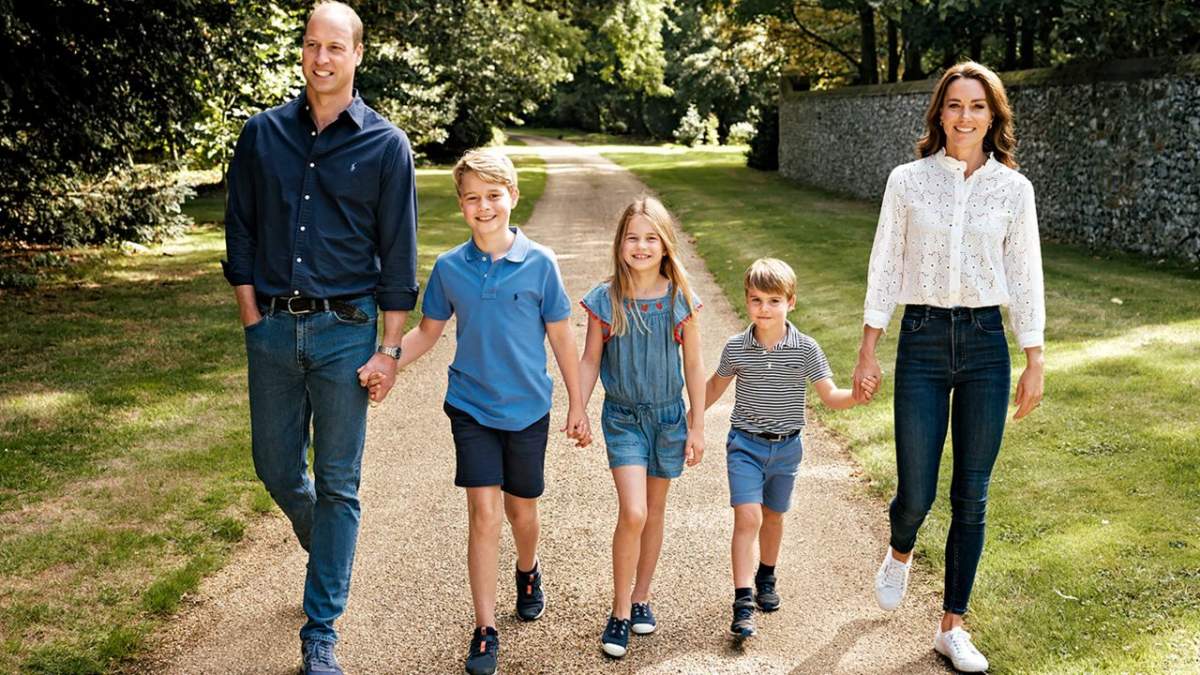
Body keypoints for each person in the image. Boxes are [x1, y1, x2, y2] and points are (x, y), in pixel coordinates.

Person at [221, 2, 417, 673]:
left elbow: (399, 255)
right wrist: (251, 315)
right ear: (302, 52)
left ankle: (321, 632)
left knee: (339, 482)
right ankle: (329, 551)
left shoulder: (387, 146)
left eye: (336, 47)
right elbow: (239, 229)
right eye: (312, 45)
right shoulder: (262, 134)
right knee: (276, 466)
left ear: (358, 55)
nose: (322, 58)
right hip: (272, 328)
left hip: (346, 332)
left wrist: (389, 350)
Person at [853, 61, 1045, 673]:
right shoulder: (907, 181)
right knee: (916, 491)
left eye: (978, 106)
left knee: (972, 494)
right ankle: (901, 548)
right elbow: (885, 263)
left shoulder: (1013, 190)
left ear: (994, 116)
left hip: (988, 343)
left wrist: (1033, 356)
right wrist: (867, 346)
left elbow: (1025, 275)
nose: (966, 116)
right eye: (955, 104)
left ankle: (952, 626)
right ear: (939, 112)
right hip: (923, 339)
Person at [370, 149, 589, 675]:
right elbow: (429, 331)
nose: (484, 206)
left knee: (521, 512)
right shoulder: (449, 268)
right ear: (462, 205)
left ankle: (528, 568)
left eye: (494, 195)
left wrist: (577, 402)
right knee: (484, 515)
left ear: (513, 197)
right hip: (470, 406)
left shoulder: (541, 264)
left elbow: (561, 336)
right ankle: (485, 628)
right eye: (472, 198)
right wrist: (389, 359)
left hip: (528, 408)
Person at [705, 258, 876, 640]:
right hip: (745, 446)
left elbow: (829, 395)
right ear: (746, 301)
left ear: (791, 302)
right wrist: (689, 419)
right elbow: (714, 387)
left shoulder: (806, 349)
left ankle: (766, 575)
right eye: (756, 300)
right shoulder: (736, 348)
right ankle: (743, 600)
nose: (764, 309)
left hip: (787, 450)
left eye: (773, 301)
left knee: (774, 517)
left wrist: (857, 399)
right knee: (747, 517)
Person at [577, 197, 705, 658]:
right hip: (624, 418)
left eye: (651, 238)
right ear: (620, 243)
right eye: (633, 237)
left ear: (665, 245)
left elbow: (693, 363)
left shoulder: (679, 299)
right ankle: (619, 611)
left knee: (653, 511)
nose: (641, 245)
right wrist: (579, 406)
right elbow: (590, 358)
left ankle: (642, 596)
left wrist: (697, 424)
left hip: (669, 418)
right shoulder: (605, 299)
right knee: (633, 512)